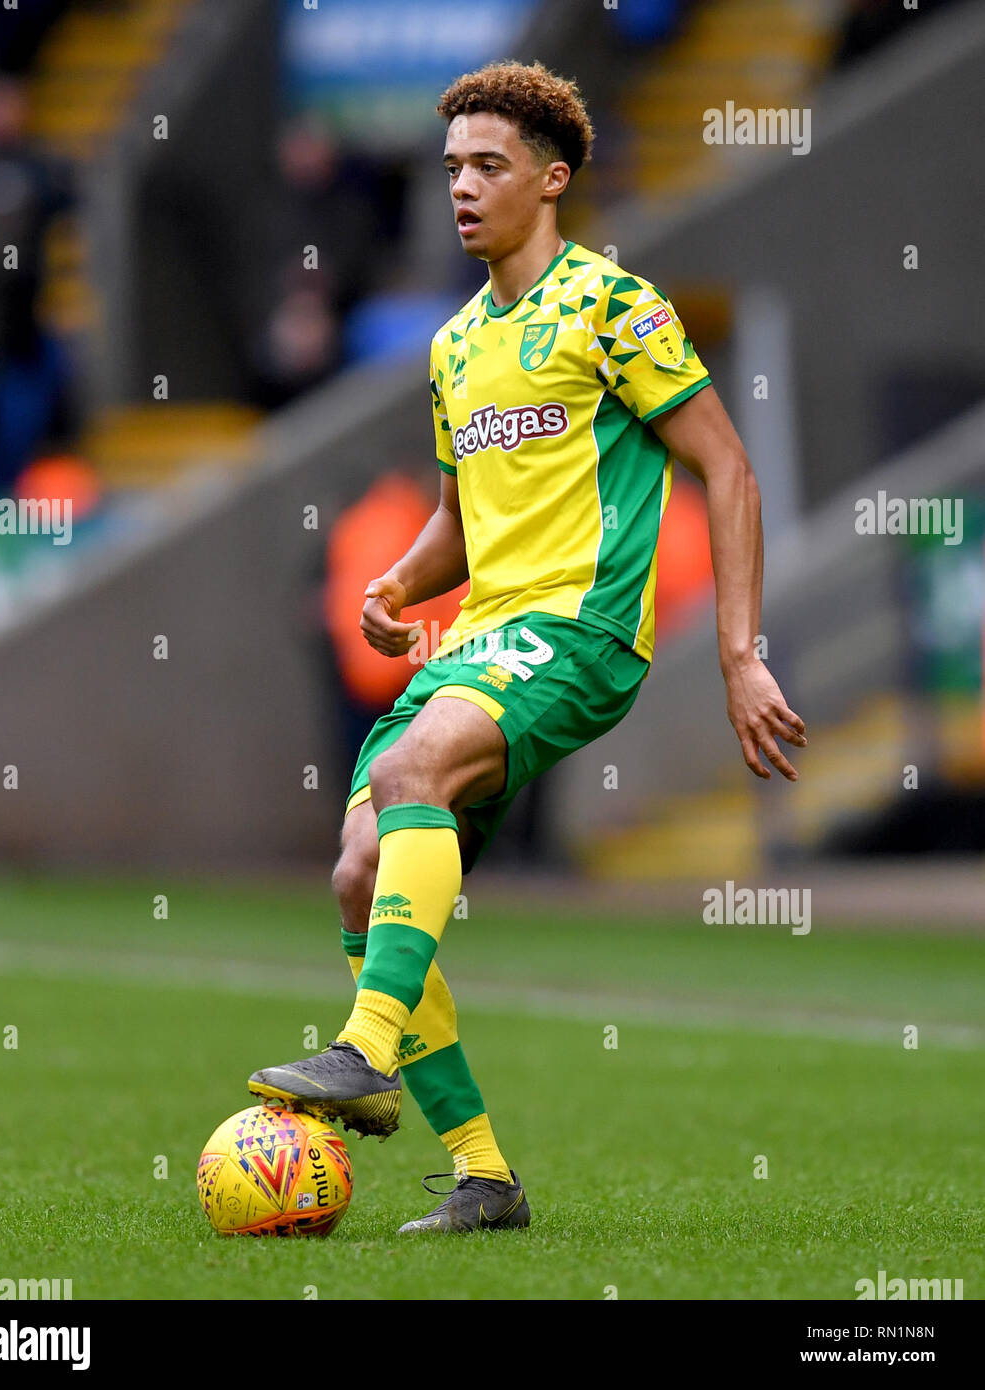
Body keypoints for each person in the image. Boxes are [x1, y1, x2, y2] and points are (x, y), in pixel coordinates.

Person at [248, 61, 807, 1234]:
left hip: (582, 628)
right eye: (450, 167)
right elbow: (463, 518)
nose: (461, 188)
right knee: (357, 870)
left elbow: (727, 465)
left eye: (487, 166)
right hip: (482, 642)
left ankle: (364, 1050)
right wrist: (400, 581)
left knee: (406, 775)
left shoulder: (614, 305)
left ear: (550, 181)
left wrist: (740, 653)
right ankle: (483, 1176)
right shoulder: (455, 346)